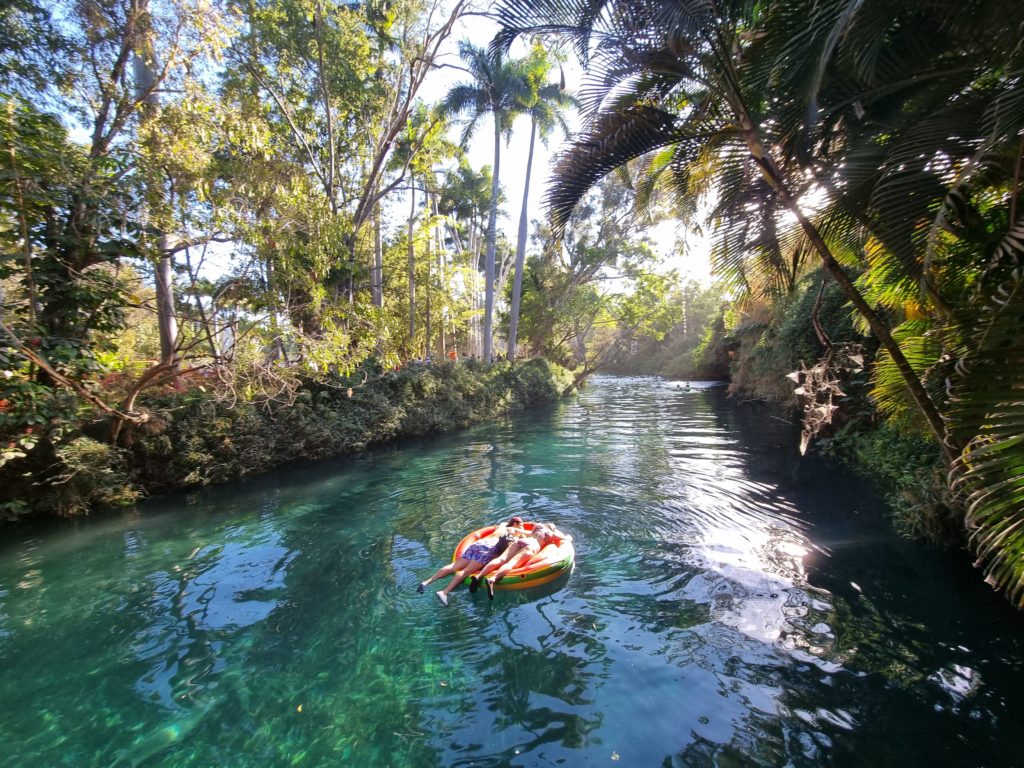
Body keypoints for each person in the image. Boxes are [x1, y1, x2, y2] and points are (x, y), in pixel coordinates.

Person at [417, 516, 526, 606]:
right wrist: (523, 533)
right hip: (488, 550)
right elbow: (526, 534)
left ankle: (426, 582)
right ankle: (444, 592)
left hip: (478, 544)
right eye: (521, 525)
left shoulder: (502, 526)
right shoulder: (513, 531)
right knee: (466, 572)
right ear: (516, 524)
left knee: (454, 566)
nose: (522, 528)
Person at [472, 522, 571, 599]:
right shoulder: (549, 533)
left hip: (520, 542)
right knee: (511, 564)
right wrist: (568, 537)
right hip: (532, 546)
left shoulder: (537, 529)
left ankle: (478, 576)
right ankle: (493, 579)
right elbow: (565, 538)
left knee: (501, 559)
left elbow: (524, 532)